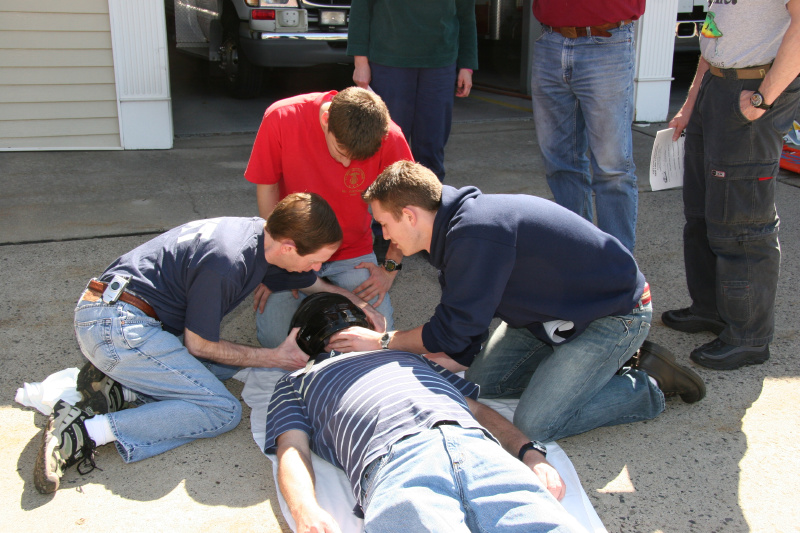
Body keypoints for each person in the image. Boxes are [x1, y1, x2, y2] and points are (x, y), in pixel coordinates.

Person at [327, 161, 705, 444]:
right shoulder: (457, 229)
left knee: (537, 424)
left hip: (612, 313)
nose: (383, 234)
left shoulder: (476, 235)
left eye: (384, 224)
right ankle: (570, 368)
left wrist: (381, 342)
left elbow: (451, 330)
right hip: (546, 316)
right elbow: (463, 334)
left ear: (409, 215)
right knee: (482, 382)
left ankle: (650, 384)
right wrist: (429, 354)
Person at [33, 193, 383, 494]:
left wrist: (360, 305)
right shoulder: (227, 262)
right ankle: (83, 431)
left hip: (121, 315)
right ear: (290, 246)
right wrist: (274, 357)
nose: (319, 267)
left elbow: (313, 284)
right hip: (116, 326)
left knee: (226, 365)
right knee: (220, 411)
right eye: (316, 259)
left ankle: (122, 390)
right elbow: (199, 344)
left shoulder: (262, 238)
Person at [265, 348, 586, 532]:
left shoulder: (407, 356)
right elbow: (292, 447)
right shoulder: (298, 380)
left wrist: (530, 452)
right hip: (396, 460)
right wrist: (304, 509)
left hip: (477, 446)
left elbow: (476, 409)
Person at [661, 0, 800, 370]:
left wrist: (762, 99)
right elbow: (713, 35)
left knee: (743, 225)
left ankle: (749, 337)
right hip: (716, 85)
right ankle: (711, 310)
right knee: (703, 214)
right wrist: (691, 102)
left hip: (753, 86)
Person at [244, 87, 413, 349]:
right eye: (341, 150)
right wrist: (275, 259)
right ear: (326, 121)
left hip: (352, 253)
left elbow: (405, 210)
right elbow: (267, 187)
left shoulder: (391, 137)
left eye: (356, 159)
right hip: (296, 252)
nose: (347, 165)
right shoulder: (281, 117)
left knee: (378, 334)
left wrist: (390, 269)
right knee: (275, 342)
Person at [530, 0, 645, 253]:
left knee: (612, 168)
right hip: (550, 40)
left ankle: (618, 270)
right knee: (559, 163)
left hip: (606, 41)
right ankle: (578, 258)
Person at [347, 0, 478, 183]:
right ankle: (386, 206)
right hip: (389, 62)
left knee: (432, 147)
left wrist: (467, 65)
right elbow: (361, 8)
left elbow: (466, 15)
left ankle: (430, 204)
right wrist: (360, 62)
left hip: (440, 64)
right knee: (387, 144)